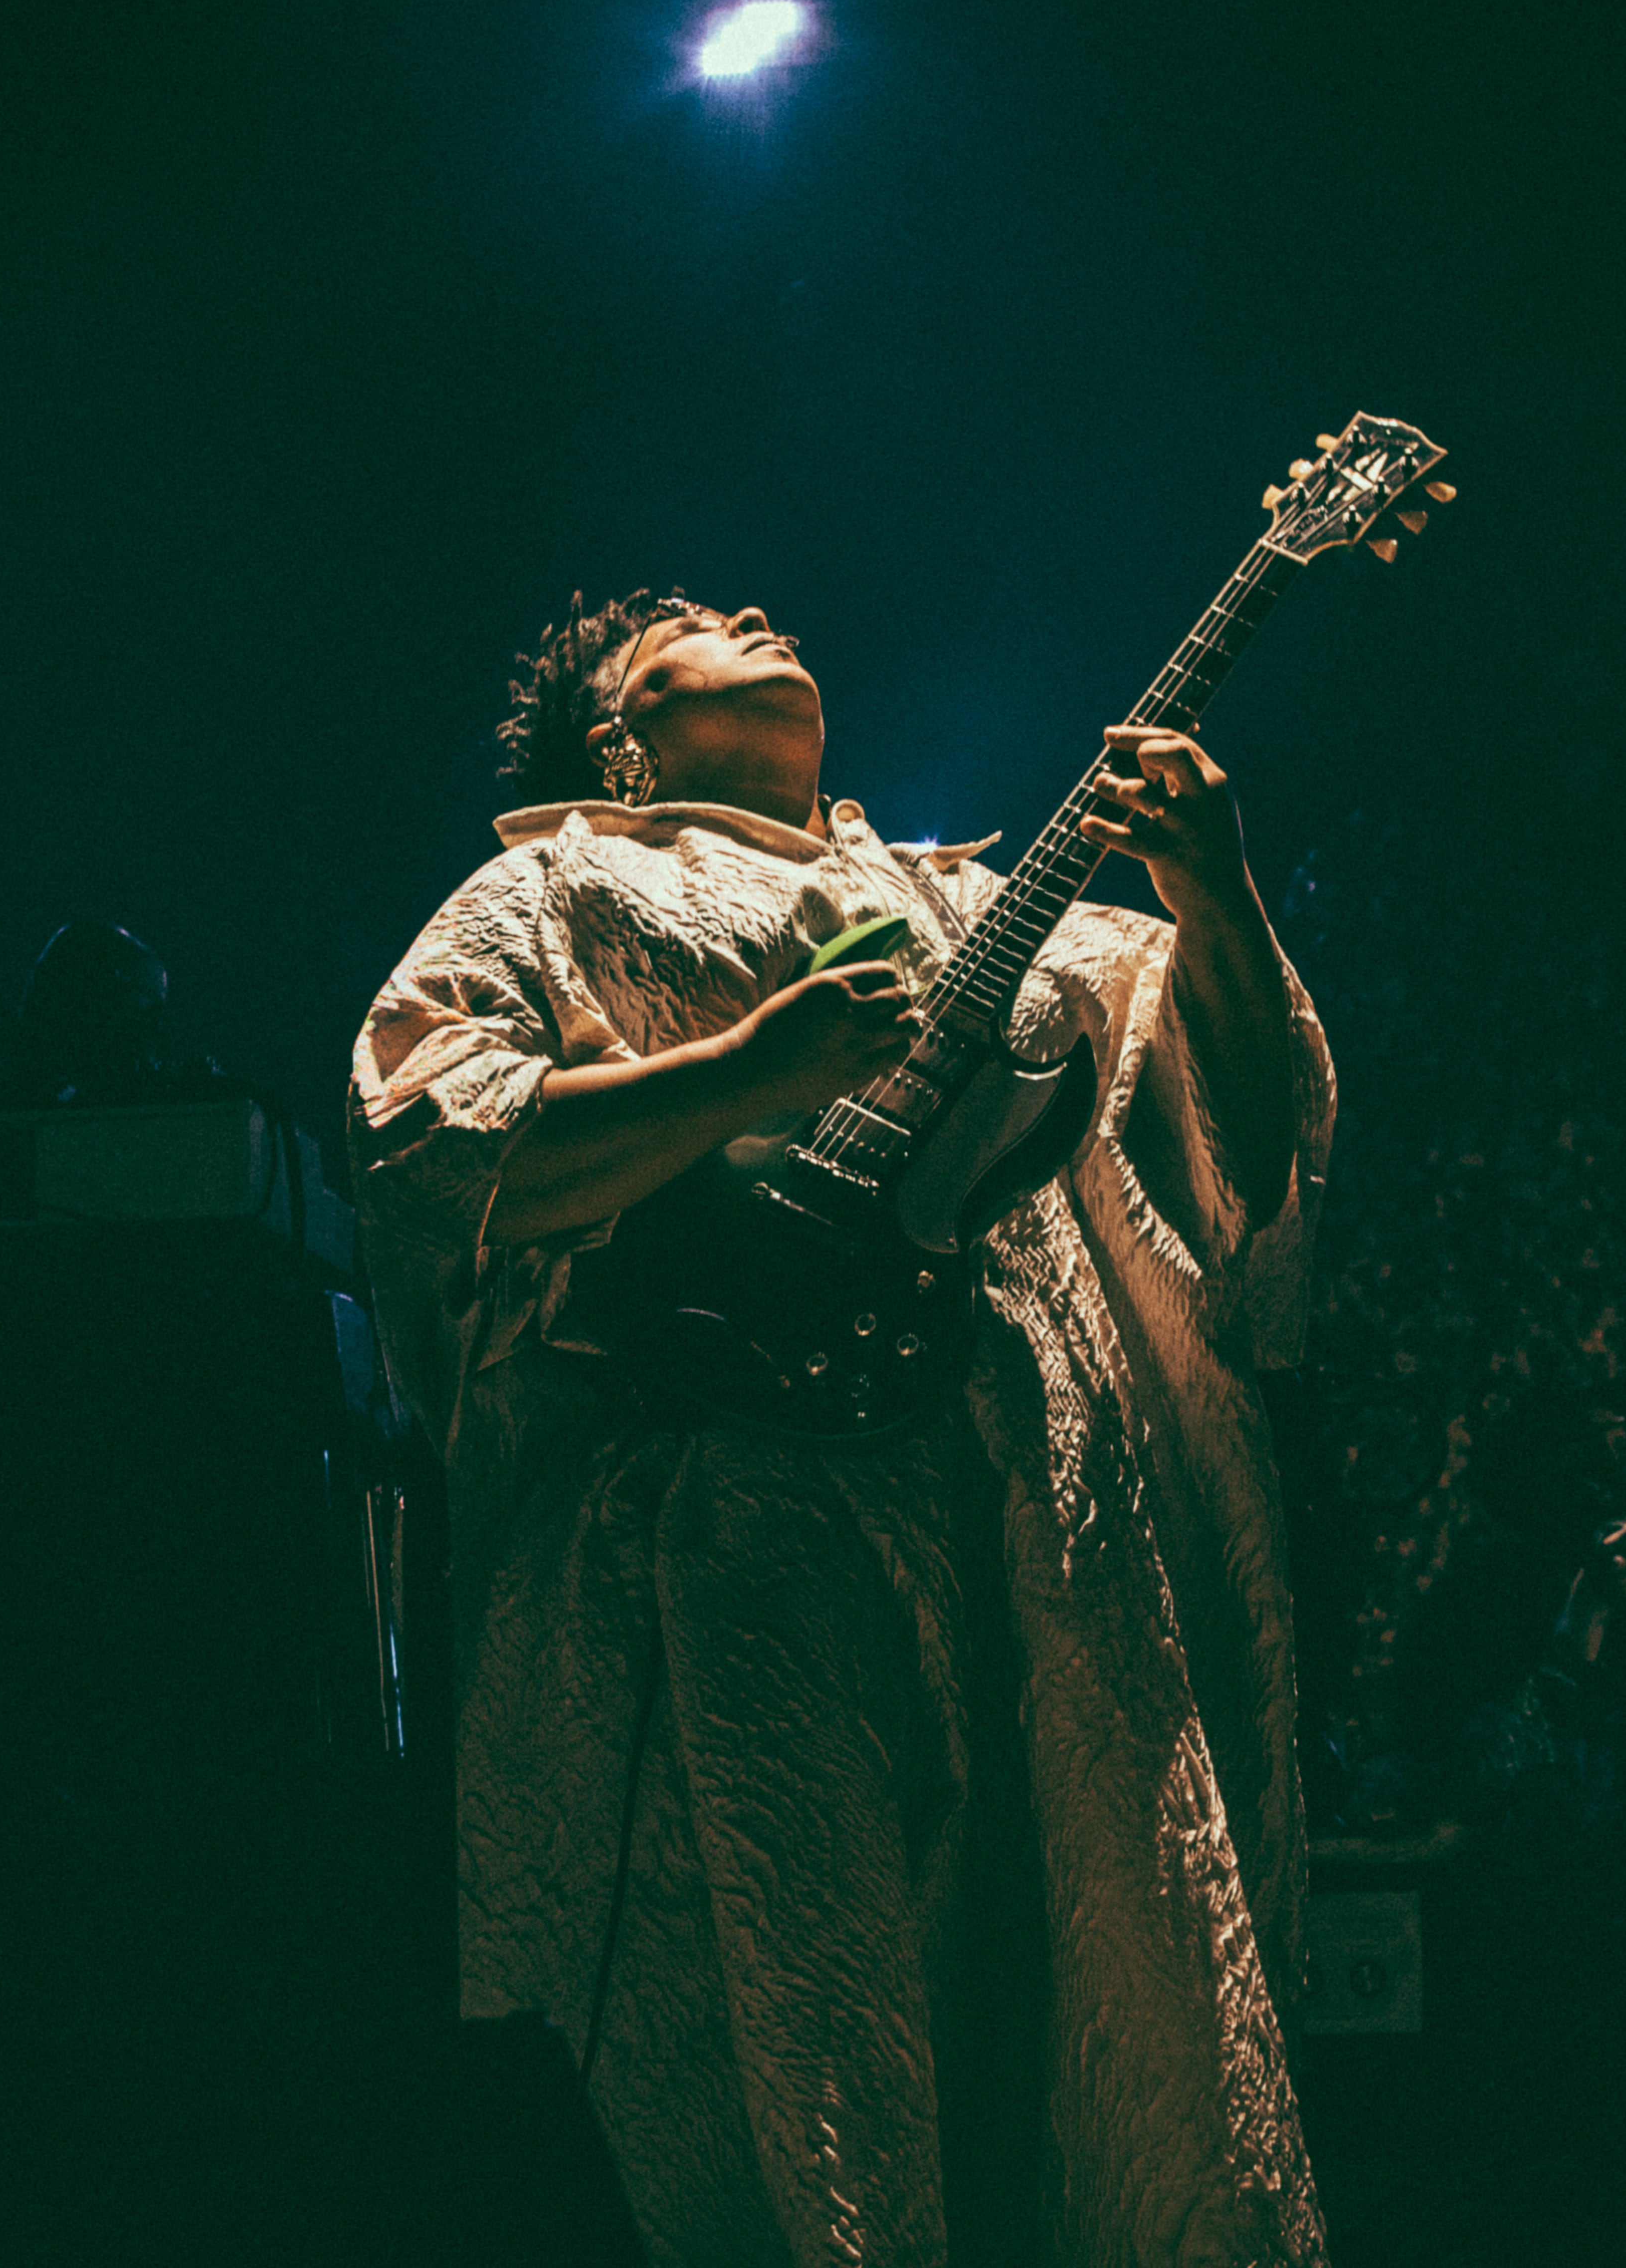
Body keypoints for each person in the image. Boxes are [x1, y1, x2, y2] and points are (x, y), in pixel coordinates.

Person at [350, 589, 1337, 2264]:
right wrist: (747, 1067)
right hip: (732, 1552)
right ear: (619, 737)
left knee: (1076, 2025)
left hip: (1038, 1539)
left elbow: (1239, 1150)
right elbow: (438, 1149)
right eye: (682, 626)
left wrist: (1213, 893)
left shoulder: (980, 904)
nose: (748, 610)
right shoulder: (553, 886)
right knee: (793, 2053)